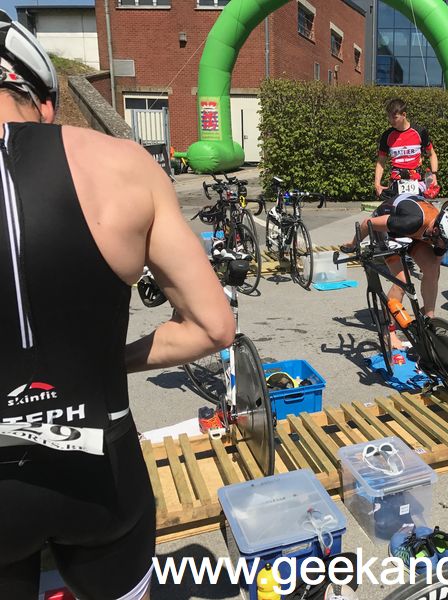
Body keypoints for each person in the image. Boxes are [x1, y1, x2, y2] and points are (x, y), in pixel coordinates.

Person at [0, 12, 235, 600]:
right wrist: (108, 361)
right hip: (100, 469)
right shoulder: (122, 164)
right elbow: (213, 327)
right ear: (45, 102)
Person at [342, 193, 448, 349]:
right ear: (436, 230)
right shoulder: (411, 222)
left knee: (432, 270)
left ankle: (428, 317)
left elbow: (435, 262)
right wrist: (353, 244)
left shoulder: (443, 234)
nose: (444, 247)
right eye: (444, 243)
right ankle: (389, 331)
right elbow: (368, 223)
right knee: (401, 282)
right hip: (388, 230)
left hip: (414, 233)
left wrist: (429, 310)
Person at [375, 98, 438, 200]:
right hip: (396, 182)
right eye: (389, 117)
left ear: (404, 115)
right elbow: (381, 162)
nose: (391, 120)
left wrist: (434, 175)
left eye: (394, 117)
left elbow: (431, 154)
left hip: (416, 182)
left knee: (415, 208)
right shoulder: (387, 135)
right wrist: (377, 184)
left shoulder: (420, 131)